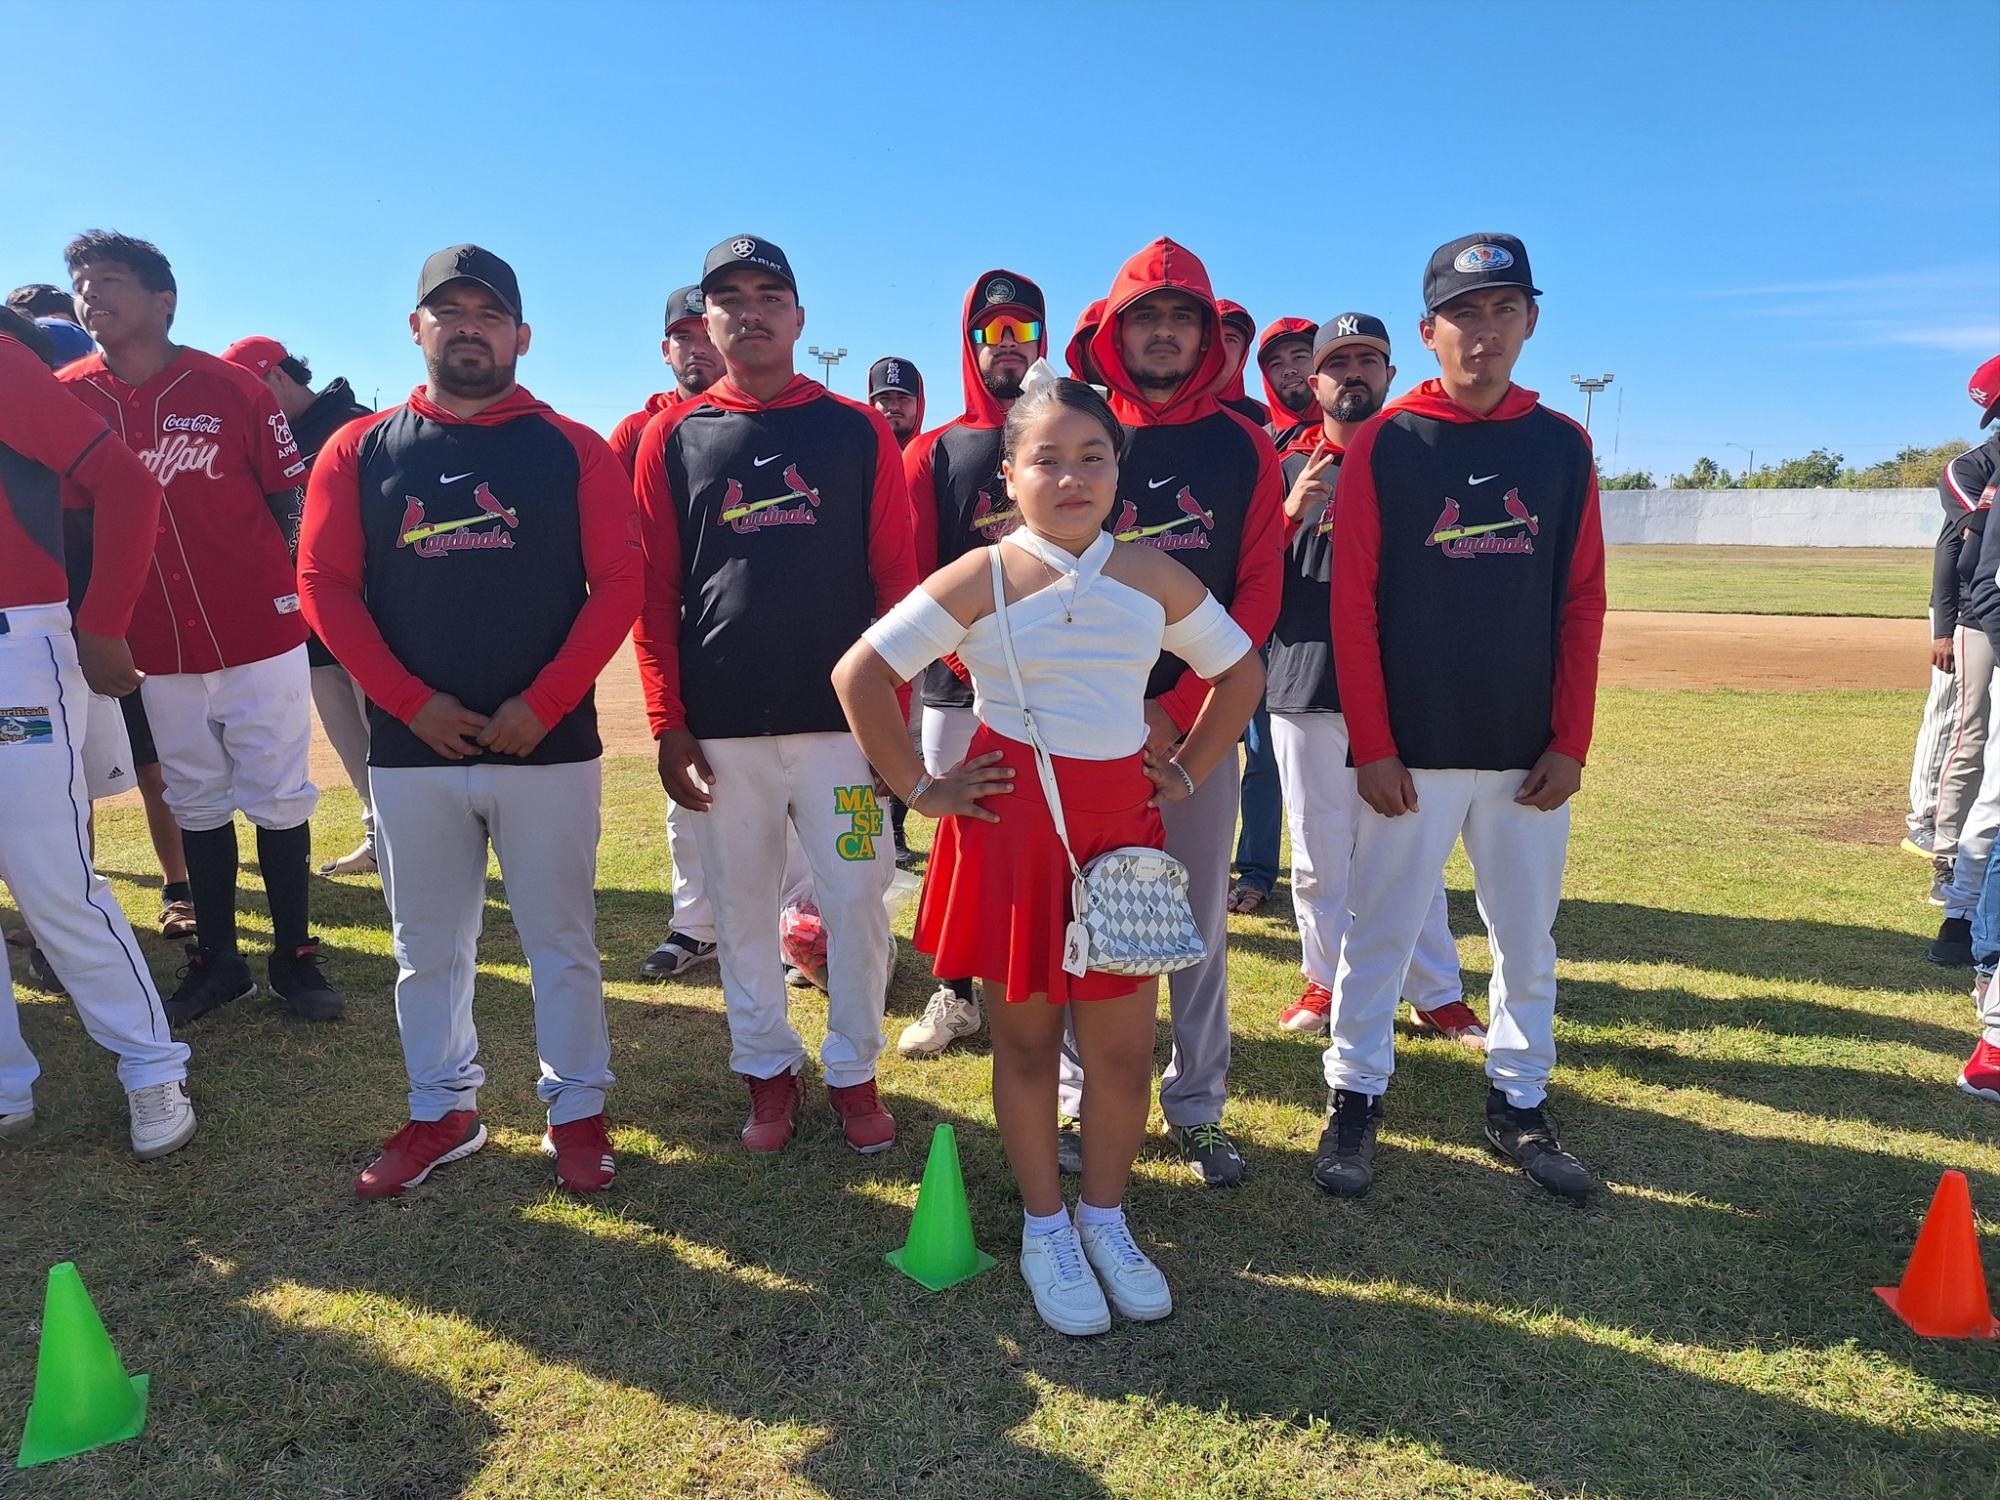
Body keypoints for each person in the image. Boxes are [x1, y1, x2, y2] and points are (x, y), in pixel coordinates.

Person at [835, 368, 1262, 1335]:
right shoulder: (977, 577)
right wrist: (921, 788)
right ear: (1010, 477)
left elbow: (1238, 670)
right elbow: (861, 673)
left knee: (1121, 1049)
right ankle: (1044, 1228)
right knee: (1025, 1045)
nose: (1071, 477)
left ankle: (1105, 1220)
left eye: (1092, 457)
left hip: (1121, 834)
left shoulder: (1153, 574)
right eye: (1046, 459)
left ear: (1118, 471)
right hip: (1012, 831)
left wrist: (1190, 770)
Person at [300, 244, 642, 1198]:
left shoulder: (572, 447)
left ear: (521, 335)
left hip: (550, 745)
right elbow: (324, 584)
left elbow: (619, 581)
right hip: (413, 751)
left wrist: (549, 699)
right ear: (416, 330)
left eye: (487, 314)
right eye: (446, 312)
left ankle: (576, 1109)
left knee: (561, 940)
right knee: (427, 947)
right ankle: (442, 1110)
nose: (467, 328)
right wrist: (409, 702)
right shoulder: (358, 448)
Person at [1318, 233, 1605, 1201]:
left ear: (1528, 321)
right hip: (1414, 749)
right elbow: (1350, 606)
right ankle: (1353, 1096)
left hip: (1525, 751)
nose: (1483, 333)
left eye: (1502, 311)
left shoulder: (1560, 443)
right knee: (1381, 931)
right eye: (1463, 315)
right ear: (1427, 331)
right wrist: (1373, 743)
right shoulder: (1390, 442)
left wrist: (1569, 740)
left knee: (1525, 935)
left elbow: (1580, 600)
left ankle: (1517, 1100)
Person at [632, 234, 916, 1156]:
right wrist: (669, 722)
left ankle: (855, 1072)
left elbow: (896, 586)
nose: (750, 311)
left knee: (858, 903)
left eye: (769, 294)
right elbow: (655, 591)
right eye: (730, 299)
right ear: (705, 323)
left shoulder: (856, 429)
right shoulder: (673, 436)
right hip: (725, 734)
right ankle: (765, 1071)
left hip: (842, 733)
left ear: (799, 317)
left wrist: (890, 731)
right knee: (742, 909)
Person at [58, 230, 340, 1024]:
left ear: (164, 300)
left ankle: (296, 957)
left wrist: (287, 594)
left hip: (256, 628)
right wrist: (98, 623)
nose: (91, 297)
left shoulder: (231, 388)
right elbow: (76, 531)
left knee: (280, 793)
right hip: (154, 642)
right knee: (195, 797)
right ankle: (218, 962)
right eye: (81, 283)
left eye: (110, 281)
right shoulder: (73, 394)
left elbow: (290, 499)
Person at [1058, 239, 1283, 1188]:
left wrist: (1182, 718)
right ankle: (1079, 1103)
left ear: (1206, 334)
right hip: (1082, 730)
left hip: (1192, 730)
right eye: (1145, 317)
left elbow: (1257, 589)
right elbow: (1043, 573)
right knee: (1085, 918)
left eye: (1181, 318)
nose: (1162, 334)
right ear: (1114, 329)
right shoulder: (1077, 427)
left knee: (1194, 921)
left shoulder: (1240, 441)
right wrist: (1113, 705)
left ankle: (1196, 1108)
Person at [0, 306, 196, 1160]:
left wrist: (104, 619)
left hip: (14, 648)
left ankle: (153, 1068)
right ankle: (6, 1086)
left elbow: (129, 483)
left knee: (52, 878)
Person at [1264, 313, 1484, 1047]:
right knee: (1319, 852)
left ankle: (1434, 991)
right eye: (1338, 362)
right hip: (1305, 679)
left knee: (1409, 848)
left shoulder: (1416, 459)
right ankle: (1325, 979)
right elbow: (1244, 577)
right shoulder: (1282, 463)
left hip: (1399, 685)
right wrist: (1290, 515)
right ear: (1313, 381)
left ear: (1390, 374)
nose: (1352, 373)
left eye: (1368, 360)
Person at [897, 270, 1047, 1058]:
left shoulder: (1065, 434)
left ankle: (1045, 989)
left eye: (1023, 329)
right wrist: (968, 652)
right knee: (960, 840)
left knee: (1045, 840)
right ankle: (955, 994)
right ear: (970, 344)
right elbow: (917, 576)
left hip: (1055, 689)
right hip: (957, 690)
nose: (1009, 345)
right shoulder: (935, 450)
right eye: (993, 333)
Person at [220, 336, 378, 879]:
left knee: (382, 729)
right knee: (346, 733)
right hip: (302, 616)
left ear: (278, 378)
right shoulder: (260, 440)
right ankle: (379, 835)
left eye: (248, 391)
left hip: (366, 609)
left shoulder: (359, 426)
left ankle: (418, 837)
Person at [1927, 360, 2000, 967]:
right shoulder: (1970, 469)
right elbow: (1956, 547)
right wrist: (1943, 624)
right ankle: (1948, 859)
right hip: (1980, 617)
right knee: (1970, 736)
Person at [869, 354, 927, 864]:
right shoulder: (859, 455)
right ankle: (868, 830)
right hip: (873, 614)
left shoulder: (933, 454)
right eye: (882, 399)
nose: (891, 407)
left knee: (913, 731)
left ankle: (895, 829)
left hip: (929, 613)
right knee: (871, 722)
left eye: (900, 398)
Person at [610, 285, 721, 477]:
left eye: (709, 336)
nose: (698, 348)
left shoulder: (761, 419)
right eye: (684, 337)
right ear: (666, 351)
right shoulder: (633, 431)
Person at [1255, 316, 1319, 444]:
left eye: (1299, 357)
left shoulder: (1355, 430)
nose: (1289, 370)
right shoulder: (1257, 444)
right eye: (1276, 364)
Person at [1212, 300, 1270, 425]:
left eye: (1230, 339)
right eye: (1213, 336)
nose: (1220, 346)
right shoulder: (1165, 406)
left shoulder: (1265, 418)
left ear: (1243, 353)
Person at [868, 356, 925, 447]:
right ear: (872, 403)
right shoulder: (854, 456)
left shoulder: (936, 456)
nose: (893, 407)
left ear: (919, 404)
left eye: (903, 398)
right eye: (884, 398)